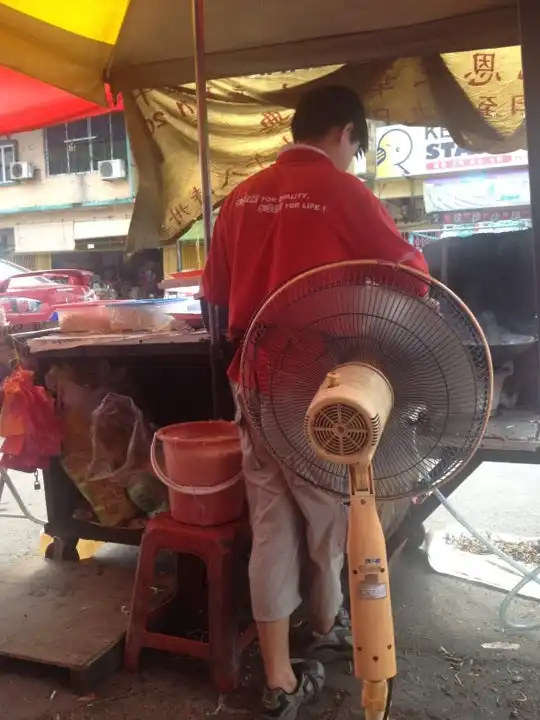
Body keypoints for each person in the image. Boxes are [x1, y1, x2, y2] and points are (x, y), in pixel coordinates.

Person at [202, 85, 428, 719]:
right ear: (347, 134)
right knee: (333, 511)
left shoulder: (241, 198)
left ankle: (277, 680)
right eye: (357, 147)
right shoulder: (345, 190)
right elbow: (411, 274)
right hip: (318, 382)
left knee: (271, 522)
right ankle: (327, 626)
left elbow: (215, 292)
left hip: (252, 375)